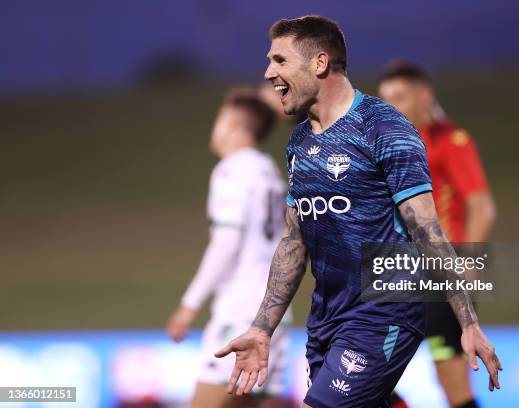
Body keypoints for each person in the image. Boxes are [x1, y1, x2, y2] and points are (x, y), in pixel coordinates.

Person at [215, 16, 502, 408]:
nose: (268, 73)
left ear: (319, 63)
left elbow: (427, 229)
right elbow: (294, 242)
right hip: (327, 319)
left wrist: (467, 323)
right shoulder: (300, 142)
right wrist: (262, 328)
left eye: (279, 61)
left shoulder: (385, 129)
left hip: (385, 311)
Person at [379, 62, 497, 408]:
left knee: (453, 385)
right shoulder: (393, 146)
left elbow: (482, 206)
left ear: (424, 94)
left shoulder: (449, 140)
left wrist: (468, 268)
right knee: (367, 373)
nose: (391, 106)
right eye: (386, 99)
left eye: (399, 97)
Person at [166, 89, 290, 407]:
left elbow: (227, 242)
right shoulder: (270, 171)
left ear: (233, 123)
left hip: (239, 313)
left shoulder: (232, 170)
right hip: (275, 312)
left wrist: (189, 304)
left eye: (219, 119)